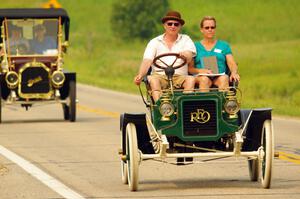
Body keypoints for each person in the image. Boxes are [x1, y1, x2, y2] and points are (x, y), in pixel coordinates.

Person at [134, 11, 196, 102]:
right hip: (160, 76)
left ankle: (184, 107)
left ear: (180, 26)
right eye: (170, 24)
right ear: (164, 25)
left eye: (176, 24)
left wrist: (184, 54)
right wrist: (140, 75)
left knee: (191, 79)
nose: (173, 26)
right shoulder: (155, 42)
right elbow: (147, 61)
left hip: (179, 76)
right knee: (153, 80)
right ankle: (161, 109)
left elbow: (189, 55)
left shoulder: (186, 39)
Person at [188, 16, 240, 91]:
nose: (210, 30)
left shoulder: (224, 45)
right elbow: (190, 68)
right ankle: (204, 102)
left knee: (224, 78)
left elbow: (231, 62)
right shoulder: (195, 46)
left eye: (212, 27)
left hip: (219, 76)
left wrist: (234, 72)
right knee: (204, 80)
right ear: (202, 30)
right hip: (201, 76)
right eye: (207, 28)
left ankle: (224, 101)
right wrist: (200, 71)